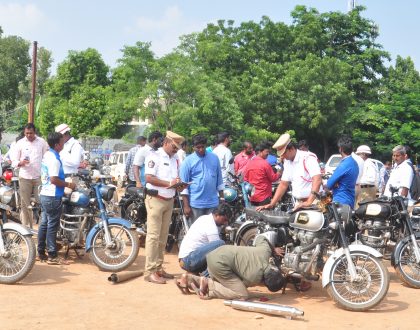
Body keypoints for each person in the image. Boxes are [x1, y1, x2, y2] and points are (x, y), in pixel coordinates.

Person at [176, 235, 284, 300]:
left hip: (218, 252)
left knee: (230, 279)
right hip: (220, 265)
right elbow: (238, 286)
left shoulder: (265, 251)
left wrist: (273, 249)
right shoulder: (254, 278)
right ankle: (209, 285)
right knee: (241, 294)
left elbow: (261, 237)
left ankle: (191, 279)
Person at [143, 131, 187, 284]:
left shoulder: (175, 159)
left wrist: (179, 185)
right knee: (153, 236)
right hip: (155, 199)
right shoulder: (154, 156)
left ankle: (158, 267)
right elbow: (149, 178)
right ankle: (150, 271)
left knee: (163, 237)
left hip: (169, 199)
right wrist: (169, 183)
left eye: (177, 148)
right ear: (166, 143)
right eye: (174, 147)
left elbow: (175, 178)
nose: (176, 150)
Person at [37, 132, 76, 264]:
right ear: (57, 144)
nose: (64, 143)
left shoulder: (48, 155)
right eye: (62, 141)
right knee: (52, 226)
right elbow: (54, 180)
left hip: (45, 194)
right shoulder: (54, 159)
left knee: (44, 224)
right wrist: (68, 184)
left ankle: (41, 252)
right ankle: (52, 255)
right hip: (52, 195)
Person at [257, 133, 322, 211]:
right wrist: (272, 204)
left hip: (314, 202)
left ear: (291, 149)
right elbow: (283, 184)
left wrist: (309, 202)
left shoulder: (308, 158)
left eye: (284, 153)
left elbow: (317, 180)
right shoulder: (287, 161)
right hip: (299, 203)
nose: (282, 156)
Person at [11, 123, 49, 228]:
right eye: (27, 133)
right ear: (24, 132)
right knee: (24, 204)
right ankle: (25, 228)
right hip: (24, 177)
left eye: (31, 133)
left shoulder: (42, 142)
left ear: (34, 132)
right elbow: (13, 160)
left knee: (42, 202)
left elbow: (46, 157)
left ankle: (43, 227)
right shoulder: (19, 143)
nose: (29, 135)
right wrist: (20, 163)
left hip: (39, 177)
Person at [180, 134, 224, 222]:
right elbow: (183, 186)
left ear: (206, 145)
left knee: (211, 230)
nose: (201, 149)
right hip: (196, 204)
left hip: (212, 203)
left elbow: (219, 181)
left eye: (203, 147)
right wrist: (186, 205)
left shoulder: (214, 158)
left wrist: (222, 199)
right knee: (197, 232)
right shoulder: (187, 161)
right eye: (198, 147)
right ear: (193, 147)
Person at [177, 204, 231, 275]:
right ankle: (203, 278)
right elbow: (219, 252)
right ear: (217, 214)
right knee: (220, 246)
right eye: (224, 219)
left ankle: (192, 276)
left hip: (186, 259)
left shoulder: (204, 218)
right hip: (188, 260)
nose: (225, 223)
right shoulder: (211, 226)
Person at [244, 142, 281, 206]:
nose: (268, 154)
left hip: (252, 197)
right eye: (266, 151)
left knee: (254, 215)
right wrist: (279, 173)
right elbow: (273, 178)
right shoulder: (265, 163)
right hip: (263, 197)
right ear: (260, 152)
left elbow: (246, 178)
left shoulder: (249, 163)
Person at [326, 137, 359, 208]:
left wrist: (335, 183)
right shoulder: (354, 163)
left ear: (341, 149)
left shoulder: (344, 164)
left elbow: (329, 184)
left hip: (340, 201)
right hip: (350, 200)